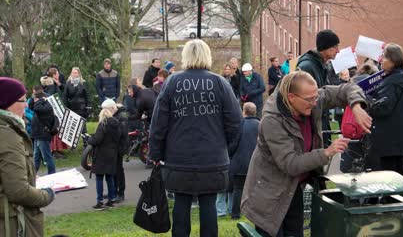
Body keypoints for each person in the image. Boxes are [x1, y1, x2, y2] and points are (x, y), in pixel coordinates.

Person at [241, 71, 371, 236]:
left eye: (316, 97)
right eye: (310, 100)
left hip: (294, 188)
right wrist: (326, 152)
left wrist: (356, 106)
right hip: (269, 193)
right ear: (291, 97)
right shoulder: (272, 120)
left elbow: (347, 89)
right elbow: (291, 164)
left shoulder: (312, 98)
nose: (315, 102)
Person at [149, 39, 242, 237]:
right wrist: (225, 148)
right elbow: (235, 122)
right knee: (208, 204)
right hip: (213, 159)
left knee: (181, 204)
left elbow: (158, 124)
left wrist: (156, 154)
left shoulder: (172, 82)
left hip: (178, 159)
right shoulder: (220, 82)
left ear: (186, 57)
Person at [0, 77, 55, 236]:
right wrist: (47, 194)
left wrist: (29, 174)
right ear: (7, 103)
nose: (26, 105)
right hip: (11, 224)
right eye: (22, 100)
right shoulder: (8, 135)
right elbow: (18, 191)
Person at [368, 43, 403, 211]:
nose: (381, 60)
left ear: (393, 60)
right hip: (401, 134)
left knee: (392, 172)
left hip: (390, 135)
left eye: (384, 57)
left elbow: (383, 108)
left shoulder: (391, 82)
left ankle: (397, 204)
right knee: (400, 170)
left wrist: (366, 103)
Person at [297, 29, 341, 147]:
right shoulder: (307, 67)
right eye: (335, 47)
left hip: (321, 121)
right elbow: (301, 99)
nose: (338, 51)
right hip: (311, 126)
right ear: (325, 48)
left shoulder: (323, 65)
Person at [88, 99, 124, 210]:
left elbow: (97, 140)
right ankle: (111, 200)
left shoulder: (102, 124)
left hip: (101, 154)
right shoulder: (117, 124)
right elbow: (118, 138)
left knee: (99, 178)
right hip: (112, 153)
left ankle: (99, 201)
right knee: (110, 178)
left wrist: (90, 139)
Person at [229, 102, 259, 220]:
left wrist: (230, 155)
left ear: (244, 111)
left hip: (240, 163)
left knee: (238, 189)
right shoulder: (260, 124)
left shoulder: (239, 125)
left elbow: (233, 144)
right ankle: (254, 215)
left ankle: (235, 215)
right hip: (255, 163)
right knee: (255, 190)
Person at [30, 91, 56, 174]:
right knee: (36, 157)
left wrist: (41, 100)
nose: (34, 101)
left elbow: (36, 107)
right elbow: (31, 106)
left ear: (40, 99)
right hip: (38, 135)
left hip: (43, 135)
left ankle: (52, 175)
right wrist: (32, 97)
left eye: (35, 99)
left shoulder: (46, 106)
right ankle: (33, 175)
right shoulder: (40, 104)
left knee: (47, 157)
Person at [62, 67, 89, 132]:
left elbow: (87, 96)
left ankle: (85, 141)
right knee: (72, 128)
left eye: (75, 73)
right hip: (72, 108)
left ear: (79, 74)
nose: (74, 74)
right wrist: (65, 107)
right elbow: (65, 96)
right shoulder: (68, 84)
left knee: (83, 127)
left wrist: (88, 107)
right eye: (73, 73)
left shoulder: (83, 83)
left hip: (81, 108)